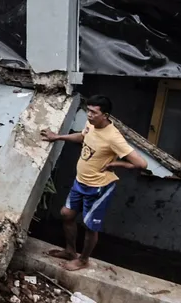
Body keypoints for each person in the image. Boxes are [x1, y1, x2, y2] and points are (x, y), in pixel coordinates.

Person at [41, 95, 147, 271]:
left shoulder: (113, 137)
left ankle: (83, 260)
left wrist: (116, 163)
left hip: (98, 187)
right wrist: (57, 137)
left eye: (93, 112)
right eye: (88, 110)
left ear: (105, 115)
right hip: (80, 181)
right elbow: (83, 138)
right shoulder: (91, 124)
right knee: (66, 214)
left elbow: (141, 164)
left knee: (90, 226)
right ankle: (70, 251)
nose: (89, 115)